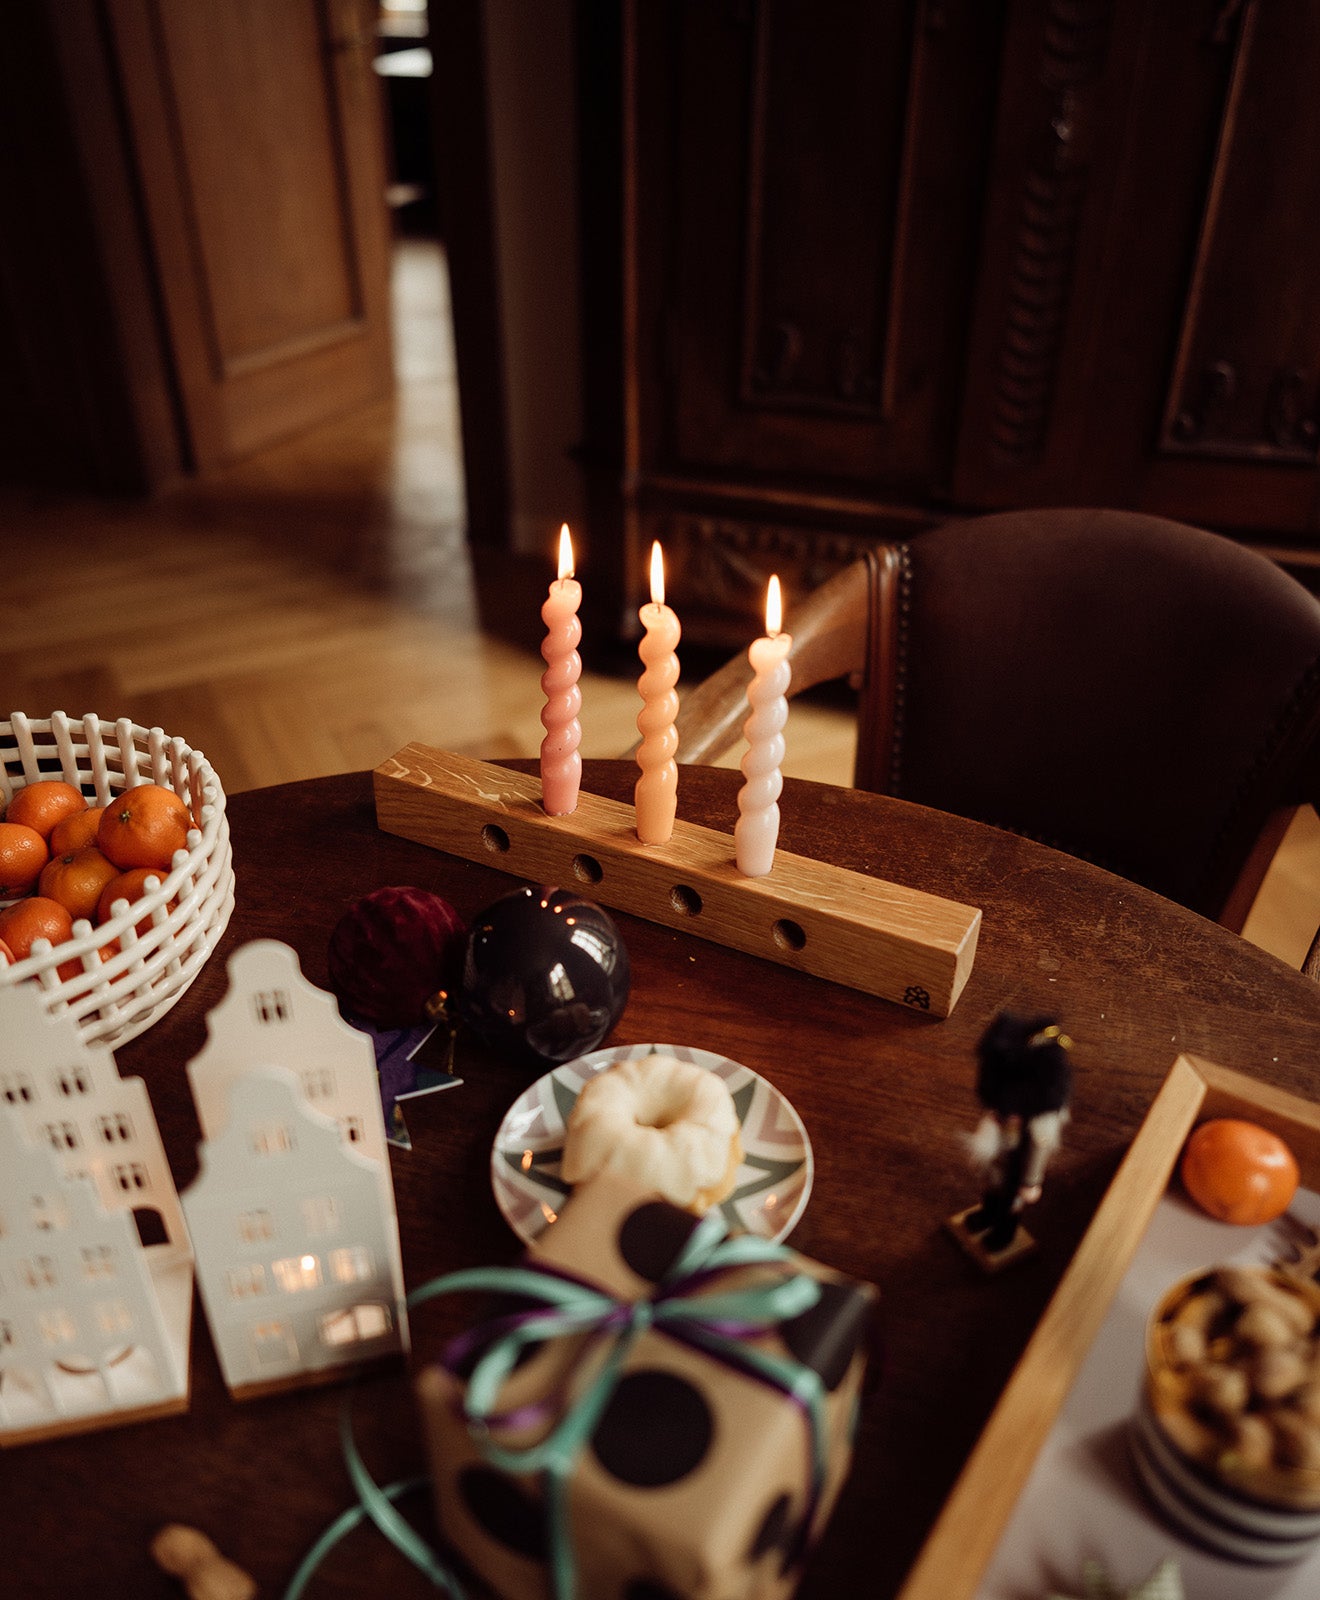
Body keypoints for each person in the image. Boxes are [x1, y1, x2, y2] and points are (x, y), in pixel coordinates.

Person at [959, 1011, 1073, 1256]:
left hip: (1019, 1168)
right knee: (993, 1187)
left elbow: (1039, 1149)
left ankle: (1004, 1234)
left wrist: (1030, 1182)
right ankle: (987, 1214)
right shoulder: (1003, 1103)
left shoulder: (1039, 1125)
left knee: (1011, 1202)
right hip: (1001, 1159)